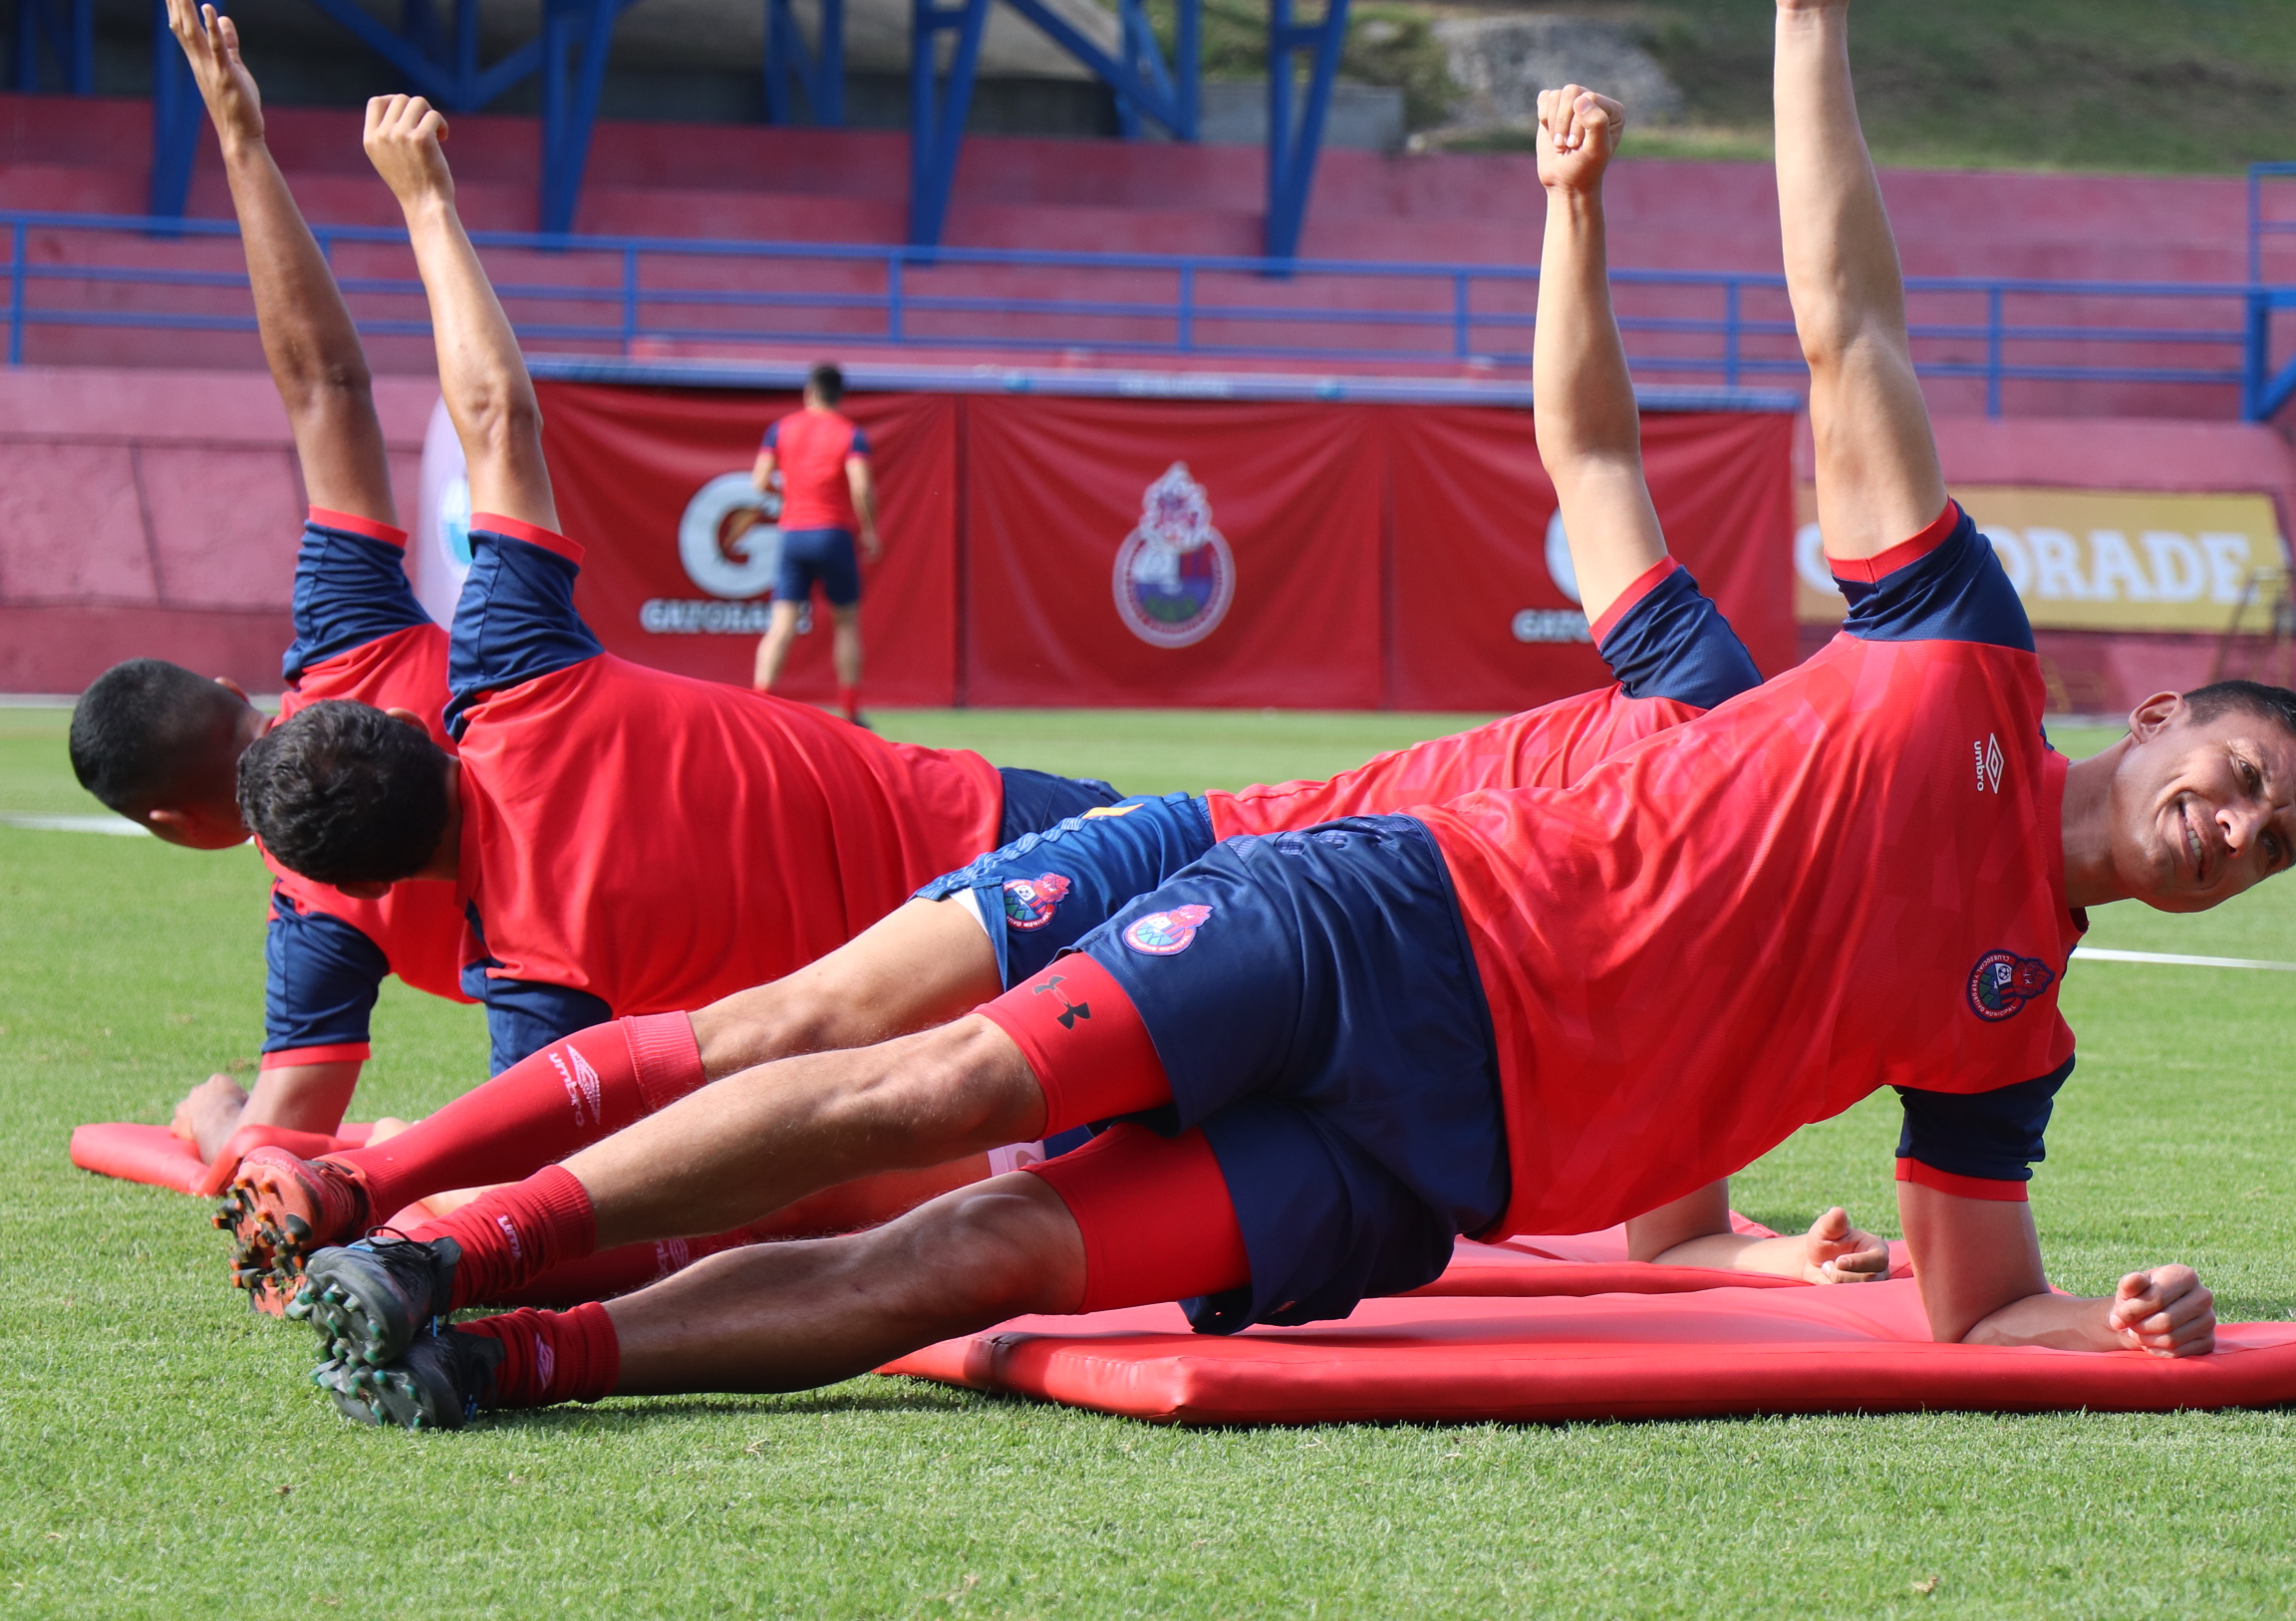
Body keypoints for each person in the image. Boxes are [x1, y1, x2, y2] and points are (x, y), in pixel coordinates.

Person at [284, 0, 2296, 1432]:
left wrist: (2112, 1315)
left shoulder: (2016, 1027)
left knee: (972, 1243)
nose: (2239, 824)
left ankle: (503, 1352)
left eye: (2274, 841)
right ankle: (455, 1244)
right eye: (2246, 770)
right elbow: (1827, 344)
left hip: (1434, 1159)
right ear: (2160, 713)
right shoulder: (1935, 650)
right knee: (905, 1082)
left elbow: (1976, 1298)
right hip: (1365, 914)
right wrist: (1803, 29)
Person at [232, 83, 1879, 1308]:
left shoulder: (1714, 922)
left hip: (1253, 954)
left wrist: (1751, 1259)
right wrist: (1574, 202)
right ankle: (444, 1246)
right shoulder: (1709, 707)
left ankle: (447, 1259)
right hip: (1181, 874)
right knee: (886, 1107)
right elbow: (1589, 448)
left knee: (876, 1115)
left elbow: (1670, 1197)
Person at [215, 92, 1129, 1288]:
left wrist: (353, 1165)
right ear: (412, 721)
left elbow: (563, 1194)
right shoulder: (514, 677)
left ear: (376, 886)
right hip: (1044, 833)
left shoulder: (537, 983)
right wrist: (426, 200)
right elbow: (489, 411)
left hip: (995, 1045)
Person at [61, 0, 472, 1215]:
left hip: (726, 1052)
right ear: (239, 687)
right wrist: (239, 129)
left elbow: (274, 1151)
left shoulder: (320, 902)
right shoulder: (355, 640)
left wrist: (210, 1112)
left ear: (181, 829)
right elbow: (326, 392)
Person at [750, 363, 880, 725]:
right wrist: (870, 530)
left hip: (793, 533)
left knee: (782, 623)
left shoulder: (782, 429)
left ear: (809, 392)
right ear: (840, 396)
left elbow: (759, 481)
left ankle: (760, 704)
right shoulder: (849, 433)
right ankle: (851, 708)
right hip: (834, 533)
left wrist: (790, 493)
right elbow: (860, 486)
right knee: (846, 622)